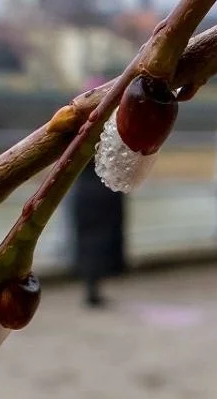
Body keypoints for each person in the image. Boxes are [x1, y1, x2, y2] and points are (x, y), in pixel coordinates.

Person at [68, 79, 127, 308]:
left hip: (84, 192)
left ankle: (91, 285)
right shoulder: (114, 125)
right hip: (105, 191)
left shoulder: (74, 128)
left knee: (88, 239)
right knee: (101, 240)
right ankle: (95, 286)